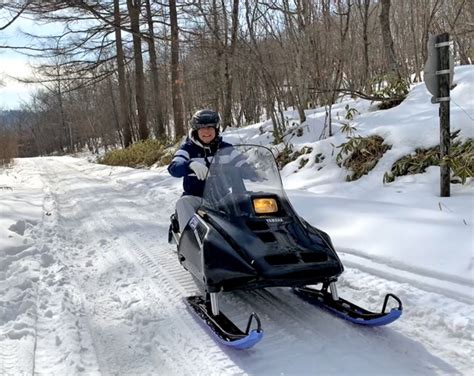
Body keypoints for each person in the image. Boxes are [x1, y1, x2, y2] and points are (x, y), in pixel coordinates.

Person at [168, 109, 233, 232]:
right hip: (197, 198)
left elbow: (242, 163)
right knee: (183, 203)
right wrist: (189, 165)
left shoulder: (226, 148)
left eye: (210, 127)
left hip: (223, 198)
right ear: (196, 130)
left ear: (216, 129)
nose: (206, 131)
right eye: (202, 128)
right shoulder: (187, 149)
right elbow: (174, 167)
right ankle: (190, 242)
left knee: (249, 202)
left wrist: (256, 171)